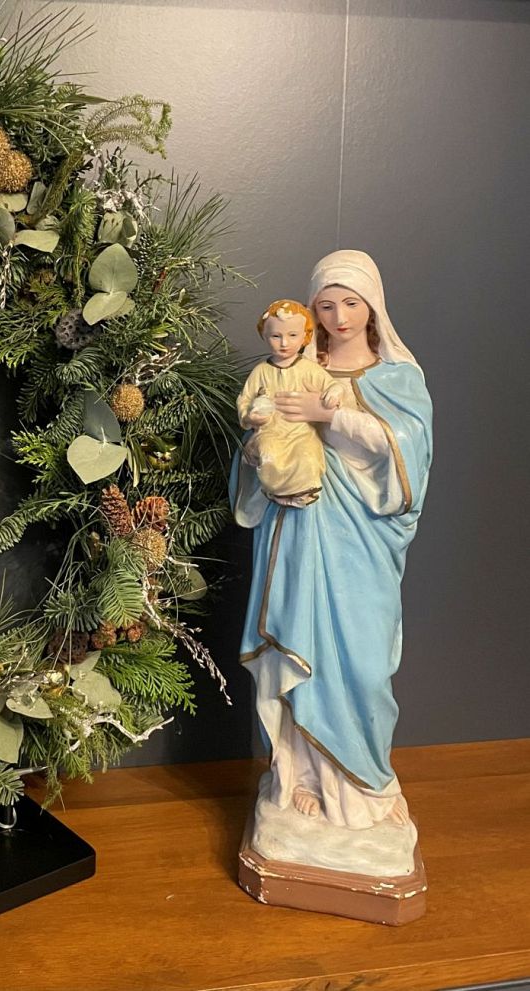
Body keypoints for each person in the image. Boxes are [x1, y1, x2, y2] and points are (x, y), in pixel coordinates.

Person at [229, 250, 432, 831]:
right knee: (302, 648)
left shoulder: (397, 378)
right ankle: (305, 778)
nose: (340, 318)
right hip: (298, 531)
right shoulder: (289, 369)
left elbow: (407, 457)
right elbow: (254, 452)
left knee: (363, 665)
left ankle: (363, 784)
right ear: (310, 312)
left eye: (351, 302)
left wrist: (328, 416)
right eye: (326, 305)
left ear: (373, 305)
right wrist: (258, 448)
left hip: (362, 544)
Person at [237, 299, 344, 507]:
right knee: (268, 453)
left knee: (307, 456)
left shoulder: (308, 369)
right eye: (276, 336)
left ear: (306, 336)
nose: (284, 343)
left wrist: (334, 391)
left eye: (292, 335)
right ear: (265, 336)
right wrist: (250, 416)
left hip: (300, 432)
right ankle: (277, 492)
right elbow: (245, 398)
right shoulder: (261, 371)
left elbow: (330, 385)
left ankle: (303, 492)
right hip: (270, 431)